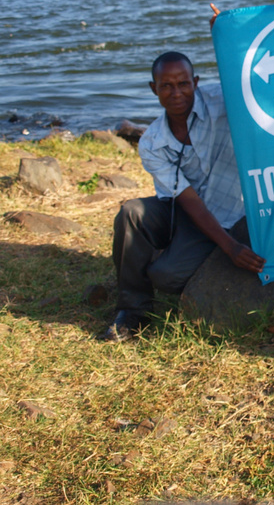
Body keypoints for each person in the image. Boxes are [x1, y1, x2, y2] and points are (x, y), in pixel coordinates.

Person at [102, 51, 265, 342]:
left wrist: (230, 35)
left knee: (166, 276)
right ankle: (132, 311)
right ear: (154, 89)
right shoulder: (152, 141)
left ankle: (172, 256)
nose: (176, 92)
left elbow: (255, 82)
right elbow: (188, 201)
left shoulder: (222, 101)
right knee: (132, 213)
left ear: (196, 83)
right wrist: (230, 249)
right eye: (166, 85)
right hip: (187, 212)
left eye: (183, 84)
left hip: (232, 212)